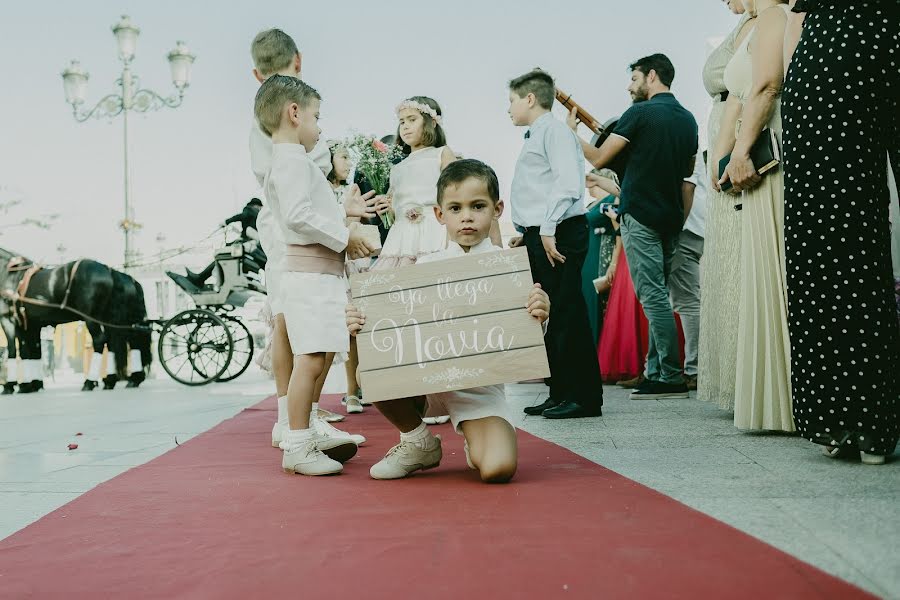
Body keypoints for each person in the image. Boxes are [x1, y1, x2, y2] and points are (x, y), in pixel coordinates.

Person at [346, 159, 551, 482]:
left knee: (498, 470)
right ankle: (418, 441)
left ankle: (476, 437)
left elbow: (522, 336)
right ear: (440, 215)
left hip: (479, 390)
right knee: (370, 369)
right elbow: (391, 327)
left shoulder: (507, 269)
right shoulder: (422, 267)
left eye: (477, 206)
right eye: (455, 208)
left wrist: (539, 314)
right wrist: (361, 320)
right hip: (423, 385)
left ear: (497, 209)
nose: (466, 216)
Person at [782, 0, 899, 463]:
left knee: (836, 235)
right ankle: (847, 414)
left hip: (848, 41)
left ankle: (859, 416)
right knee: (826, 240)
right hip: (827, 46)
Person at [248, 28, 376, 445]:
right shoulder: (289, 152)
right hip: (294, 244)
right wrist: (344, 232)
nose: (319, 125)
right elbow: (296, 209)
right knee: (299, 334)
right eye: (316, 117)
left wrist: (343, 209)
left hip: (299, 237)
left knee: (310, 340)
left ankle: (298, 420)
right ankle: (293, 425)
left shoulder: (282, 138)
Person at [577, 55, 698, 400]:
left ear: (652, 76)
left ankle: (670, 375)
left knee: (652, 295)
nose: (630, 87)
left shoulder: (640, 113)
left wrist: (569, 134)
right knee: (659, 292)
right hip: (672, 217)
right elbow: (686, 172)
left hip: (642, 215)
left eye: (634, 78)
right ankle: (655, 371)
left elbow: (599, 159)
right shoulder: (688, 120)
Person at [507, 69, 603, 419]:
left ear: (529, 98)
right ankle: (559, 391)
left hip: (559, 231)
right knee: (548, 315)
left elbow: (568, 184)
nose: (509, 109)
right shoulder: (540, 134)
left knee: (566, 311)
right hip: (542, 232)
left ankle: (583, 396)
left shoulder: (556, 131)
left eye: (512, 100)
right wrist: (528, 230)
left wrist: (545, 228)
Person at [717, 0, 794, 432]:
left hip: (771, 148)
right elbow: (738, 97)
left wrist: (741, 151)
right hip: (750, 146)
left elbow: (767, 86)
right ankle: (775, 395)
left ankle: (787, 396)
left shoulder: (774, 17)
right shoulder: (754, 23)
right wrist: (725, 153)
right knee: (761, 271)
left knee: (776, 268)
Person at [697, 1, 755, 407]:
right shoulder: (744, 24)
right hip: (722, 126)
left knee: (738, 259)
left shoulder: (763, 21)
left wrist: (730, 148)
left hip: (735, 131)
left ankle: (746, 377)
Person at [369, 96, 457, 270]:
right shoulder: (397, 168)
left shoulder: (441, 154)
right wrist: (387, 210)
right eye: (402, 122)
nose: (405, 126)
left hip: (434, 231)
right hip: (401, 238)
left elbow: (456, 195)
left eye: (412, 120)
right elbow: (395, 209)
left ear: (432, 122)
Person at [670, 154, 709, 390]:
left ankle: (694, 369)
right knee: (684, 300)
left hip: (685, 228)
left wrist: (675, 227)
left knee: (686, 301)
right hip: (692, 227)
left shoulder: (684, 140)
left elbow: (688, 186)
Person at [184, 198, 267, 287]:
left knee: (221, 256)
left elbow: (241, 216)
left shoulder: (250, 210)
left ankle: (201, 278)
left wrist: (226, 222)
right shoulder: (258, 216)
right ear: (257, 206)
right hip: (253, 247)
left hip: (245, 244)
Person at [581, 170, 621, 346]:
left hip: (602, 256)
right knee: (587, 302)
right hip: (587, 257)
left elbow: (619, 231)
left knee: (599, 302)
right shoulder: (591, 205)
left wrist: (614, 263)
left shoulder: (612, 199)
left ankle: (603, 348)